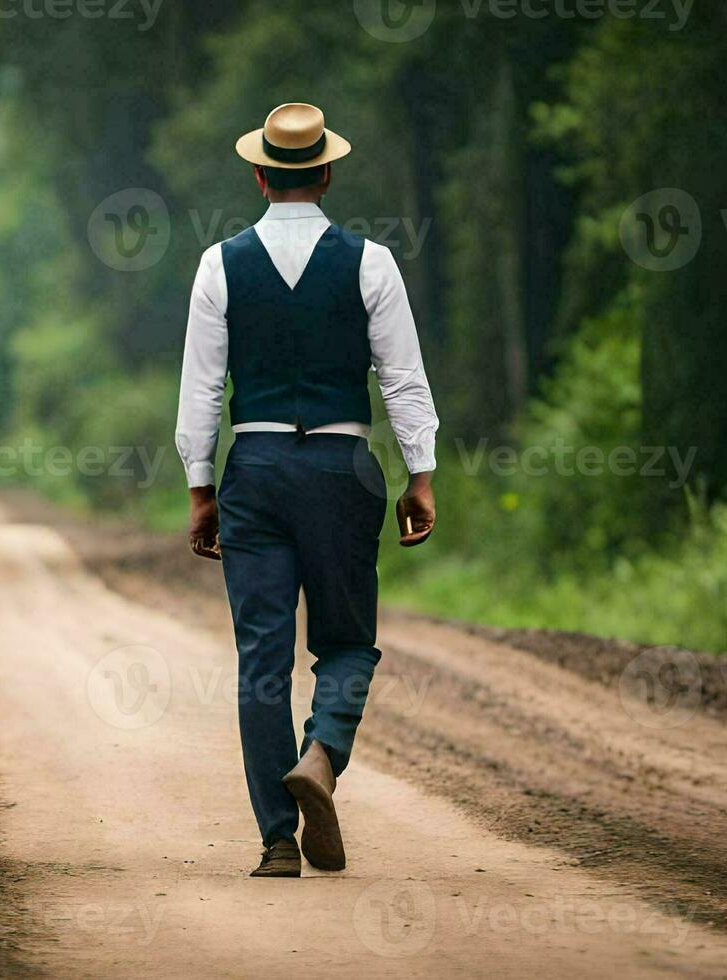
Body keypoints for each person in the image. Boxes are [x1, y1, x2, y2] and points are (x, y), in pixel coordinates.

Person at [175, 103, 440, 877]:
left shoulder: (220, 264)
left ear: (260, 176)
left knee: (261, 657)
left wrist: (200, 487)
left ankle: (276, 839)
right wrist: (420, 474)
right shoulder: (371, 262)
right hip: (342, 467)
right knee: (348, 640)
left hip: (254, 471)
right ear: (326, 173)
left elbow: (201, 388)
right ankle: (321, 755)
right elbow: (402, 378)